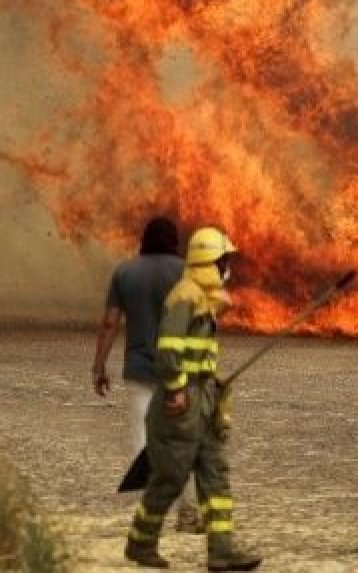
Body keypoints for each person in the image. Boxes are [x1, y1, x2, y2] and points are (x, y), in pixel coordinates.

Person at [125, 227, 261, 571]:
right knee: (169, 478)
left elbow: (198, 354)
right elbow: (168, 350)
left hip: (204, 399)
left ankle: (221, 552)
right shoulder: (184, 297)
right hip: (181, 404)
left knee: (215, 474)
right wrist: (176, 389)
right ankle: (140, 544)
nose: (228, 268)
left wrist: (212, 389)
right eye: (224, 261)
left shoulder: (204, 299)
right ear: (211, 262)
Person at [92, 217, 203, 532]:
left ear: (145, 240)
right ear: (174, 241)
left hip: (140, 371)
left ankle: (150, 515)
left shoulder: (125, 273)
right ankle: (188, 512)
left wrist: (99, 365)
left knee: (143, 442)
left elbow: (110, 323)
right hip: (180, 372)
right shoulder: (188, 273)